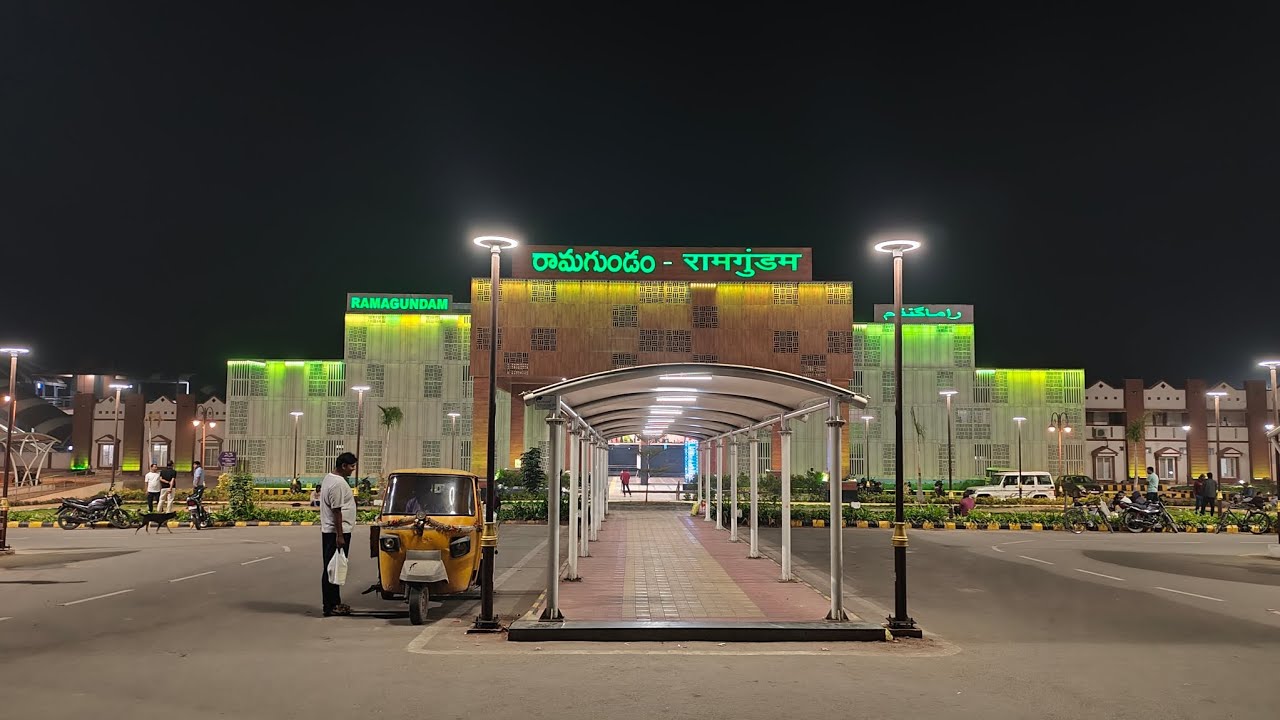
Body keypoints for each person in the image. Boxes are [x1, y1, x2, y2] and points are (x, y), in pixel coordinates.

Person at [320, 452, 358, 617]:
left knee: (334, 567)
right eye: (351, 466)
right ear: (343, 466)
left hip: (333, 531)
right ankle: (330, 605)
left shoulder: (330, 479)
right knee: (331, 569)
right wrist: (340, 536)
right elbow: (337, 511)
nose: (353, 470)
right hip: (336, 533)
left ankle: (334, 602)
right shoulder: (337, 484)